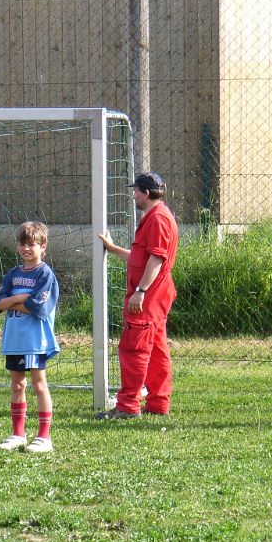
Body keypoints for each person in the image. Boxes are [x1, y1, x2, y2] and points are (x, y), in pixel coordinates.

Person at [96, 172, 179, 419]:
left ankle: (128, 406)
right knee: (155, 350)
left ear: (145, 193)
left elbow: (156, 259)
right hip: (155, 295)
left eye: (135, 191)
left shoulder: (158, 220)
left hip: (150, 296)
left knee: (134, 349)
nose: (133, 195)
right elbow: (140, 258)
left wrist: (140, 291)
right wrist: (112, 249)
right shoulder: (155, 217)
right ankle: (157, 403)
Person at [0, 222, 60, 453]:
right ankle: (18, 434)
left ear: (43, 246)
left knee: (39, 384)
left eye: (31, 244)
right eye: (22, 244)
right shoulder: (13, 274)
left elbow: (36, 308)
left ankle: (44, 437)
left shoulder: (45, 274)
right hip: (14, 339)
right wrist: (17, 298)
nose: (26, 249)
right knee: (17, 384)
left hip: (34, 340)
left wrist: (15, 301)